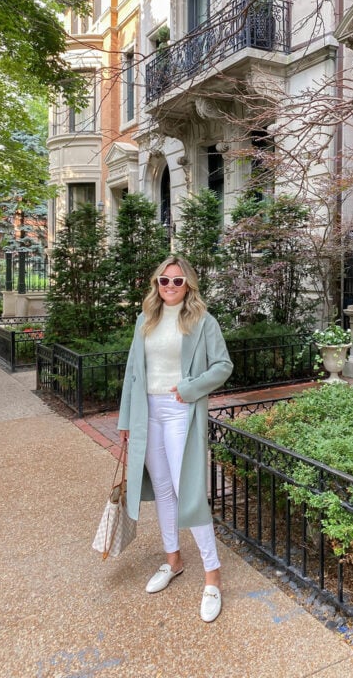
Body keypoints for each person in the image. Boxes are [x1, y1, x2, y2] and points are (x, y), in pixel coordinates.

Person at [117, 255, 233, 623]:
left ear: (189, 285)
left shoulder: (202, 321)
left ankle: (212, 576)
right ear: (156, 284)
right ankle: (173, 560)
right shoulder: (145, 320)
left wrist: (189, 388)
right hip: (146, 412)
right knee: (164, 490)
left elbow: (223, 366)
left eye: (177, 281)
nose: (169, 287)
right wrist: (125, 420)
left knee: (188, 491)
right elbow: (133, 372)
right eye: (164, 281)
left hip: (180, 410)